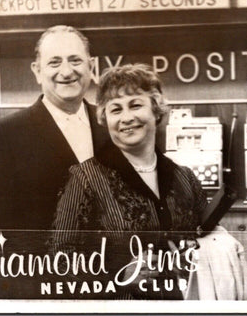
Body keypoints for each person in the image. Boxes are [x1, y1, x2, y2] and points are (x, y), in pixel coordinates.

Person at [50, 64, 208, 299]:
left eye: (135, 105)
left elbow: (205, 242)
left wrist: (192, 258)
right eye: (115, 110)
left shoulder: (185, 178)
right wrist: (119, 277)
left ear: (156, 110)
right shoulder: (86, 179)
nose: (126, 118)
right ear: (105, 118)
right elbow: (60, 259)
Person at [0, 25, 110, 298]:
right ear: (37, 71)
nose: (67, 71)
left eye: (75, 60)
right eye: (54, 62)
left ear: (91, 66)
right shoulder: (5, 134)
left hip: (110, 289)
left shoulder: (109, 124)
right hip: (40, 292)